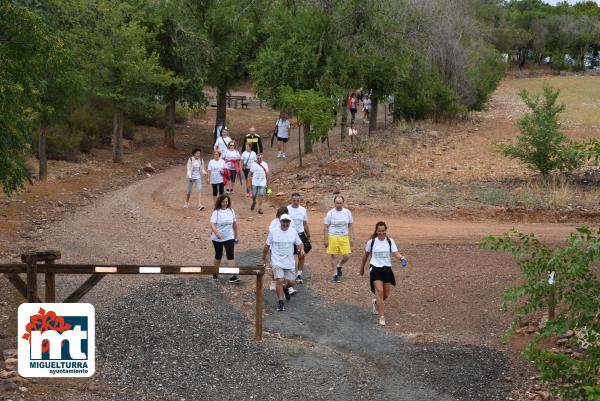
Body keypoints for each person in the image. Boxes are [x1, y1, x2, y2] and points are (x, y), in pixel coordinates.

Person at [359, 221, 406, 326]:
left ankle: (375, 302)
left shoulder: (390, 241)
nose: (381, 233)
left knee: (386, 294)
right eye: (379, 231)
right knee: (379, 291)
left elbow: (395, 253)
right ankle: (382, 317)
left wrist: (402, 258)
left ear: (386, 231)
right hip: (375, 268)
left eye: (383, 231)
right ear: (376, 231)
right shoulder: (371, 242)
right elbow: (366, 255)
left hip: (386, 269)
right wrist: (362, 267)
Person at [261, 213, 304, 311]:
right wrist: (263, 258)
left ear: (289, 222)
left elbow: (299, 243)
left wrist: (301, 250)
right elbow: (267, 246)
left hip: (289, 261)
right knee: (279, 280)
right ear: (280, 222)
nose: (285, 224)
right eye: (283, 221)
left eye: (287, 222)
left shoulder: (293, 231)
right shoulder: (273, 232)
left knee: (291, 282)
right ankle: (280, 301)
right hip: (277, 261)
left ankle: (285, 288)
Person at [324, 195, 354, 283]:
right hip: (333, 236)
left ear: (343, 203)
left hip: (344, 236)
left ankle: (339, 265)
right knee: (334, 255)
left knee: (347, 256)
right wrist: (325, 239)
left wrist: (352, 237)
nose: (339, 205)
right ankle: (335, 275)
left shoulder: (347, 212)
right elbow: (325, 227)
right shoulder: (330, 213)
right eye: (337, 203)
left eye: (340, 203)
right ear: (334, 203)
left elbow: (350, 225)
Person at [210, 194, 240, 283]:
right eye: (223, 202)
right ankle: (215, 273)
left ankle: (233, 275)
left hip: (229, 236)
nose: (225, 203)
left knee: (230, 255)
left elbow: (234, 223)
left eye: (226, 202)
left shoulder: (231, 211)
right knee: (218, 255)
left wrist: (236, 235)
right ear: (220, 202)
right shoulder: (216, 212)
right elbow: (212, 224)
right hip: (217, 238)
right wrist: (216, 232)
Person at [288, 192, 311, 284]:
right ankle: (289, 274)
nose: (296, 202)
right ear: (291, 200)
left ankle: (299, 275)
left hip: (300, 234)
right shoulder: (287, 209)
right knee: (289, 255)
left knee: (302, 255)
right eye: (294, 200)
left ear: (300, 200)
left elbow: (305, 223)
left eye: (298, 200)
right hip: (289, 234)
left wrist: (308, 235)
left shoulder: (303, 210)